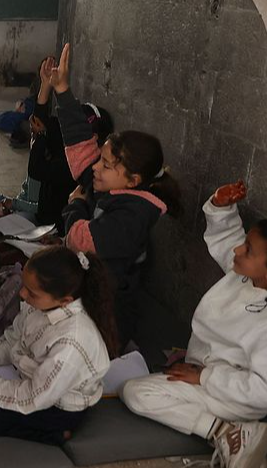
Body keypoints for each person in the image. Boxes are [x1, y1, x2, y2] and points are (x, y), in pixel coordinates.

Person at [122, 181, 267, 468]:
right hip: (206, 371)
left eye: (248, 249)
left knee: (135, 393)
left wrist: (204, 378)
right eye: (245, 242)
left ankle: (225, 432)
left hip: (233, 398)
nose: (239, 249)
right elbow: (228, 243)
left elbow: (263, 391)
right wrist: (221, 207)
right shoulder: (249, 276)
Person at [43, 43, 182, 347]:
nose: (96, 168)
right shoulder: (109, 183)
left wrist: (76, 207)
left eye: (106, 165)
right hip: (89, 288)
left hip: (108, 309)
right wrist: (63, 91)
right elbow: (82, 146)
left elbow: (83, 239)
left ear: (133, 180)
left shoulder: (133, 215)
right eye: (101, 160)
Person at [0, 246, 117, 445]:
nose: (22, 294)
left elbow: (33, 397)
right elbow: (12, 341)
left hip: (56, 407)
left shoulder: (70, 342)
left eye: (31, 292)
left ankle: (52, 434)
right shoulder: (39, 305)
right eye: (24, 285)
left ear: (65, 301)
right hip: (32, 379)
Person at [0, 101, 112, 225]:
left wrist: (13, 204)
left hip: (44, 220)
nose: (67, 130)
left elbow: (37, 174)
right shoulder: (60, 145)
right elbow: (39, 119)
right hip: (28, 204)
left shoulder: (73, 166)